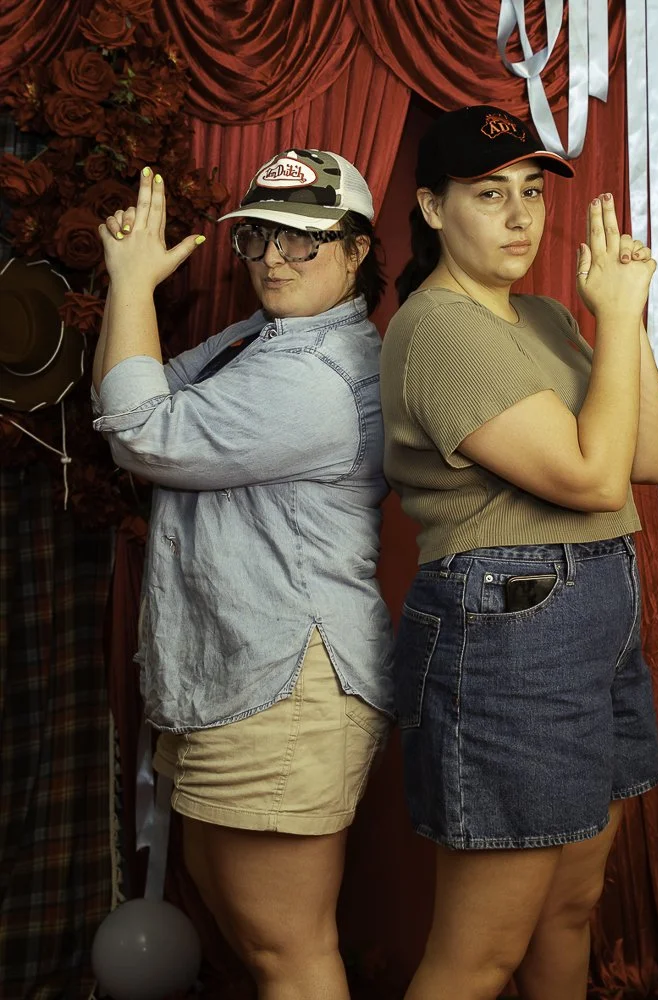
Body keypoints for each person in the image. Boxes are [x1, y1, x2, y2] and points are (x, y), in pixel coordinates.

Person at [380, 106, 658, 1000]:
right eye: (487, 194)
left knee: (571, 907)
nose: (520, 217)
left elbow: (654, 459)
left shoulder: (545, 318)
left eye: (532, 192)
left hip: (595, 622)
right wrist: (617, 322)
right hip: (509, 636)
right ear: (433, 209)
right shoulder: (440, 329)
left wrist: (623, 318)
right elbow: (596, 479)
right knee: (481, 952)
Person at [92, 149, 394, 1000]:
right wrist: (130, 303)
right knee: (249, 934)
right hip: (234, 673)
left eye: (303, 241)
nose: (272, 259)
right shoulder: (266, 336)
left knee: (286, 951)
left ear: (356, 250)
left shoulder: (315, 377)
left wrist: (132, 286)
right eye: (258, 236)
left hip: (284, 686)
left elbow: (137, 427)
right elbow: (126, 396)